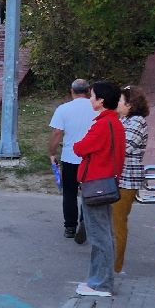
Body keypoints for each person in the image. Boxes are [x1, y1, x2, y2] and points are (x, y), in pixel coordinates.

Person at [72, 81, 126, 298]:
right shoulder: (115, 123)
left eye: (92, 96)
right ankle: (99, 280)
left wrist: (80, 146)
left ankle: (101, 283)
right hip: (106, 183)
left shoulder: (102, 124)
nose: (90, 99)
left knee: (99, 236)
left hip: (95, 185)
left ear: (101, 100)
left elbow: (80, 148)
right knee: (105, 234)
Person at [110, 84, 150, 283]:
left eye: (120, 101)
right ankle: (112, 263)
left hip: (127, 179)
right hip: (121, 177)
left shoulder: (137, 122)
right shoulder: (125, 119)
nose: (117, 104)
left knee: (118, 222)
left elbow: (123, 147)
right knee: (113, 221)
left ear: (130, 104)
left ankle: (116, 267)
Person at [48, 79, 96, 239]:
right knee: (88, 193)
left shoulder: (63, 109)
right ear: (89, 90)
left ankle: (70, 226)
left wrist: (52, 153)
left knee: (69, 193)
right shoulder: (97, 108)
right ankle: (85, 221)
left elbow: (56, 133)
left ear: (72, 91)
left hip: (70, 157)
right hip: (90, 158)